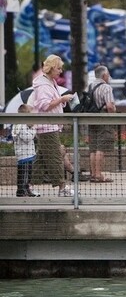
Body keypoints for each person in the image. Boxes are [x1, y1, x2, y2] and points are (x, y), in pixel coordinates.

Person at [30, 54, 75, 197]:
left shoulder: (50, 82)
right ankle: (62, 188)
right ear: (51, 68)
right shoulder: (43, 84)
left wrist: (63, 100)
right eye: (59, 68)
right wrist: (62, 98)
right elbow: (44, 105)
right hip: (47, 126)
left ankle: (27, 185)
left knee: (42, 158)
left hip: (50, 125)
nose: (61, 71)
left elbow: (51, 102)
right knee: (56, 156)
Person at [88, 65, 117, 183]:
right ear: (104, 75)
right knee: (101, 148)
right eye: (108, 74)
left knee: (93, 148)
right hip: (104, 119)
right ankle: (99, 175)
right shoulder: (106, 87)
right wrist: (113, 112)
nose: (109, 76)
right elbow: (110, 106)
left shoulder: (90, 86)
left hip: (91, 119)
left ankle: (93, 174)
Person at [12, 104, 40, 197]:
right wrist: (33, 129)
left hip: (27, 154)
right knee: (24, 173)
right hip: (24, 154)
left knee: (28, 173)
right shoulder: (21, 125)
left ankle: (26, 189)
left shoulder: (19, 124)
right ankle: (21, 190)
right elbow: (27, 138)